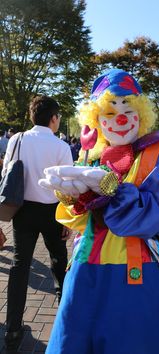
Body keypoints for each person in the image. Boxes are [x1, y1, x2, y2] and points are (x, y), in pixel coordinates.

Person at [40, 69, 159, 354]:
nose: (119, 119)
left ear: (141, 114)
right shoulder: (93, 156)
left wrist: (112, 190)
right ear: (95, 120)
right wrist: (76, 199)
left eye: (127, 109)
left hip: (137, 275)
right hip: (85, 268)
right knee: (72, 342)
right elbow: (83, 222)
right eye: (109, 112)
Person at [2, 95, 74, 351]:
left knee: (20, 266)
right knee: (59, 261)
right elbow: (68, 187)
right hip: (54, 210)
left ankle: (12, 329)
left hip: (23, 210)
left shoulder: (17, 139)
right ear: (53, 119)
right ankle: (66, 316)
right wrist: (69, 220)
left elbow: (7, 174)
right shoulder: (61, 147)